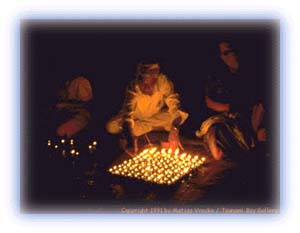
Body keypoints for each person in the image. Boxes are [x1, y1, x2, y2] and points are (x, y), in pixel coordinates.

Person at [196, 41, 266, 160]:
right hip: (228, 120)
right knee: (216, 135)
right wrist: (230, 108)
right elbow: (211, 103)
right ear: (221, 57)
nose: (232, 56)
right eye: (226, 53)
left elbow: (258, 101)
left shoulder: (254, 72)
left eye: (234, 50)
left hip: (252, 119)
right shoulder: (217, 77)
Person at [106, 60, 188, 154]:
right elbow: (127, 115)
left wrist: (174, 130)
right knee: (111, 126)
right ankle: (147, 129)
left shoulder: (163, 82)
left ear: (156, 78)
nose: (146, 87)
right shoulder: (133, 87)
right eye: (143, 83)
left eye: (149, 83)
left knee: (178, 116)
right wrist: (130, 141)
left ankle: (138, 130)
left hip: (155, 115)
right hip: (135, 117)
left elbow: (175, 106)